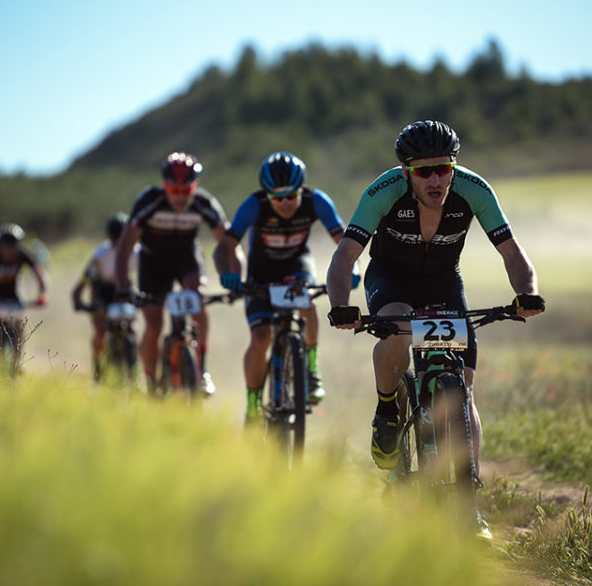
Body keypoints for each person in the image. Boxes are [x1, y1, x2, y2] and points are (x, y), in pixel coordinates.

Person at [325, 120, 545, 534]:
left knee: (464, 386)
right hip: (390, 279)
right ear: (406, 171)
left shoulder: (473, 189)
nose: (436, 179)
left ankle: (470, 505)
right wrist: (341, 305)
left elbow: (513, 253)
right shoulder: (383, 191)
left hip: (445, 283)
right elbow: (344, 257)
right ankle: (388, 407)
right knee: (401, 330)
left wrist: (528, 293)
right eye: (424, 171)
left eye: (444, 168)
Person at [213, 151, 358, 423]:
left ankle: (311, 372)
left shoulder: (317, 201)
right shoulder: (253, 205)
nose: (285, 203)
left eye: (291, 196)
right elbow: (223, 249)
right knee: (260, 337)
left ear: (301, 190)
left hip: (296, 264)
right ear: (266, 195)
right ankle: (253, 404)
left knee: (308, 303)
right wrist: (227, 275)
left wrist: (355, 269)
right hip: (261, 271)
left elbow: (345, 241)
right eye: (277, 198)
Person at [114, 152, 228, 395]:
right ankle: (151, 384)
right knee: (154, 324)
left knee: (198, 301)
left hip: (186, 258)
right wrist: (123, 286)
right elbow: (124, 248)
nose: (179, 196)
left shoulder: (204, 203)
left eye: (186, 190)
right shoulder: (148, 201)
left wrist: (237, 276)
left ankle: (201, 370)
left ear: (195, 186)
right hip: (152, 262)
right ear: (164, 185)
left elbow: (227, 243)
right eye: (173, 190)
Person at [72, 213, 140, 381]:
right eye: (116, 240)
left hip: (123, 290)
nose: (120, 245)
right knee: (101, 333)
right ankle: (97, 368)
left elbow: (148, 276)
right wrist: (78, 299)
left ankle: (131, 367)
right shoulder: (101, 254)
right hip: (102, 291)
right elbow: (84, 281)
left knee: (133, 330)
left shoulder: (137, 253)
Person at [0, 223, 48, 352]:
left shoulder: (22, 254)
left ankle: (16, 362)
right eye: (5, 245)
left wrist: (42, 294)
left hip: (12, 294)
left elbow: (39, 273)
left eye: (13, 245)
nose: (9, 249)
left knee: (19, 326)